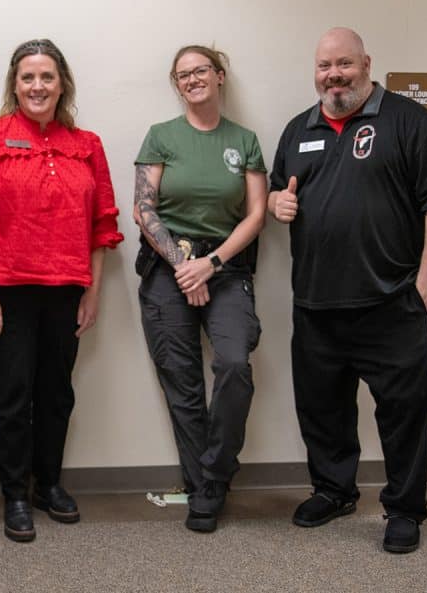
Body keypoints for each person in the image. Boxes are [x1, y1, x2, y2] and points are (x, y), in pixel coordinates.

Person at [268, 27, 427, 553]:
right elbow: (277, 191)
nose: (334, 75)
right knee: (322, 410)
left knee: (403, 413)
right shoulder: (298, 130)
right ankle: (334, 491)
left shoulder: (410, 122)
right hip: (316, 304)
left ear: (366, 64)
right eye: (324, 66)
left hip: (390, 302)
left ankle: (404, 509)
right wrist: (275, 206)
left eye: (344, 64)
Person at [0, 38, 124, 542]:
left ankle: (49, 484)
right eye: (28, 77)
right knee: (11, 395)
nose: (38, 86)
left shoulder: (86, 144)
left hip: (67, 287)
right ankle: (15, 496)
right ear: (14, 84)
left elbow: (102, 222)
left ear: (61, 83)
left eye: (47, 76)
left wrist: (92, 291)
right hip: (5, 290)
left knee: (57, 393)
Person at [133, 45, 267, 533]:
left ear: (220, 76)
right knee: (183, 384)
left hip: (226, 267)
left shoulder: (245, 140)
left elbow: (256, 214)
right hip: (169, 268)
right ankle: (205, 491)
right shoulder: (162, 136)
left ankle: (214, 473)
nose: (192, 79)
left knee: (234, 364)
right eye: (182, 75)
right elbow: (143, 211)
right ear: (177, 84)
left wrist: (209, 265)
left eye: (200, 71)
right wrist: (183, 266)